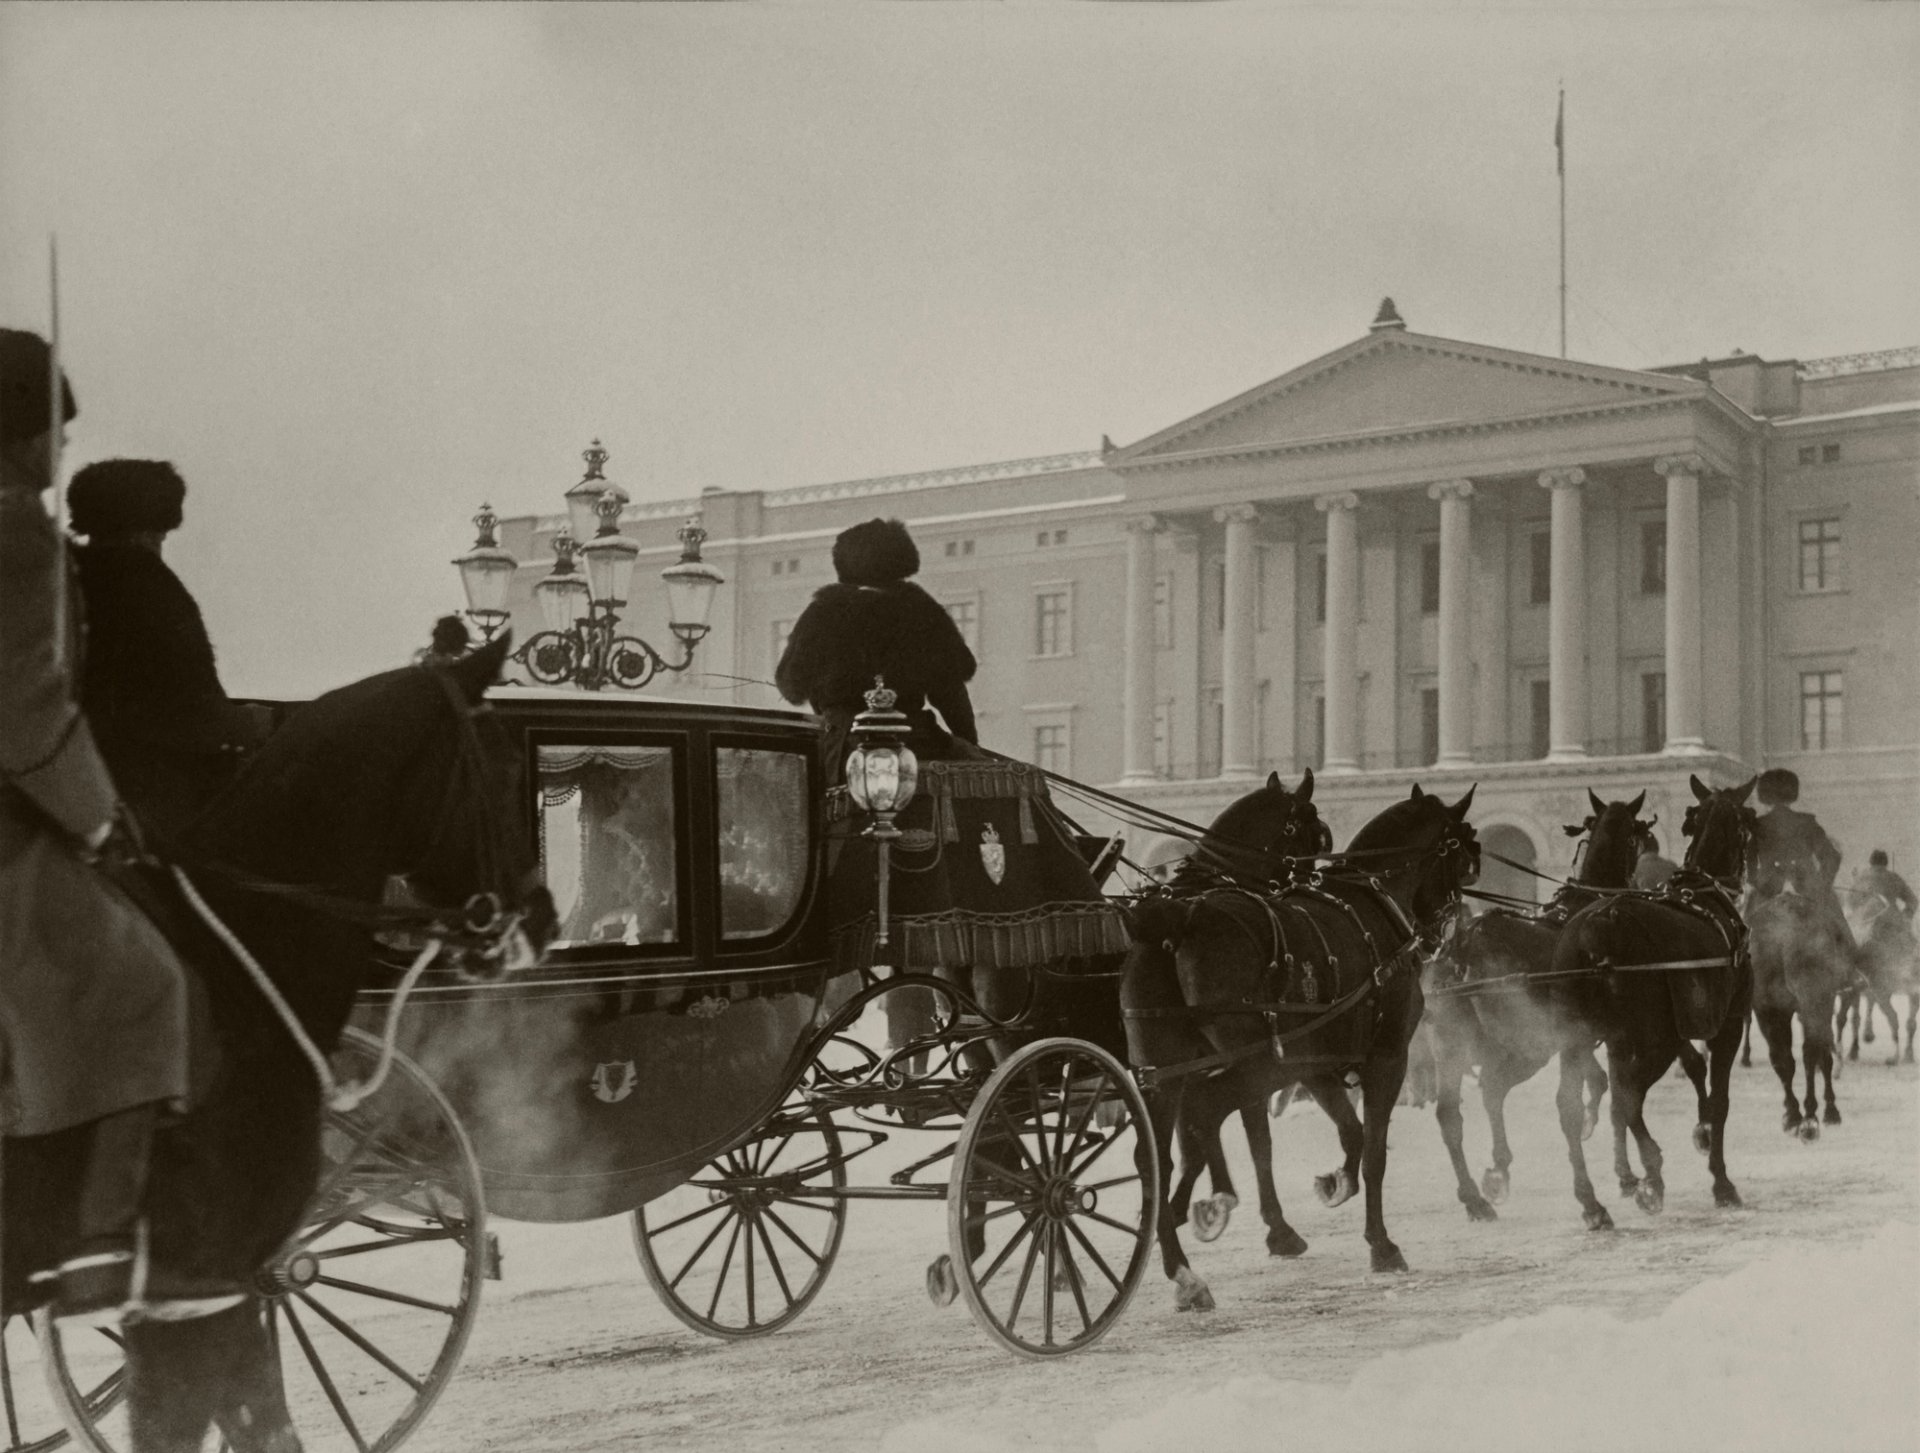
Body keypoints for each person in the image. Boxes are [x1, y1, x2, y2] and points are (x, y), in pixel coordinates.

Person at [0, 329, 238, 1323]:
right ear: (22, 432)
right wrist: (99, 824)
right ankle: (101, 1243)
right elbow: (29, 709)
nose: (60, 451)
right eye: (54, 431)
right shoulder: (17, 533)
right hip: (19, 821)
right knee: (150, 986)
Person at [775, 518, 1128, 1039]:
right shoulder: (917, 607)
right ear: (902, 560)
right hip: (916, 743)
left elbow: (792, 685)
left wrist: (835, 719)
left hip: (842, 751)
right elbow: (951, 692)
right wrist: (969, 747)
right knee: (1012, 785)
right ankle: (1061, 874)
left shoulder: (823, 611)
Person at [69, 459, 265, 848]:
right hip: (151, 790)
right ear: (154, 527)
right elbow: (187, 707)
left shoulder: (70, 575)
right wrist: (256, 725)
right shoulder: (145, 583)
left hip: (87, 774)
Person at [1749, 766, 1850, 942]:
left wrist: (1759, 882)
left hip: (1768, 890)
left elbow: (1746, 864)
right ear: (1792, 793)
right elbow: (1831, 857)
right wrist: (1821, 886)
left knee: (1742, 933)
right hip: (1808, 888)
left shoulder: (1757, 825)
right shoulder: (1807, 822)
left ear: (1764, 795)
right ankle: (1852, 956)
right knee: (1840, 934)